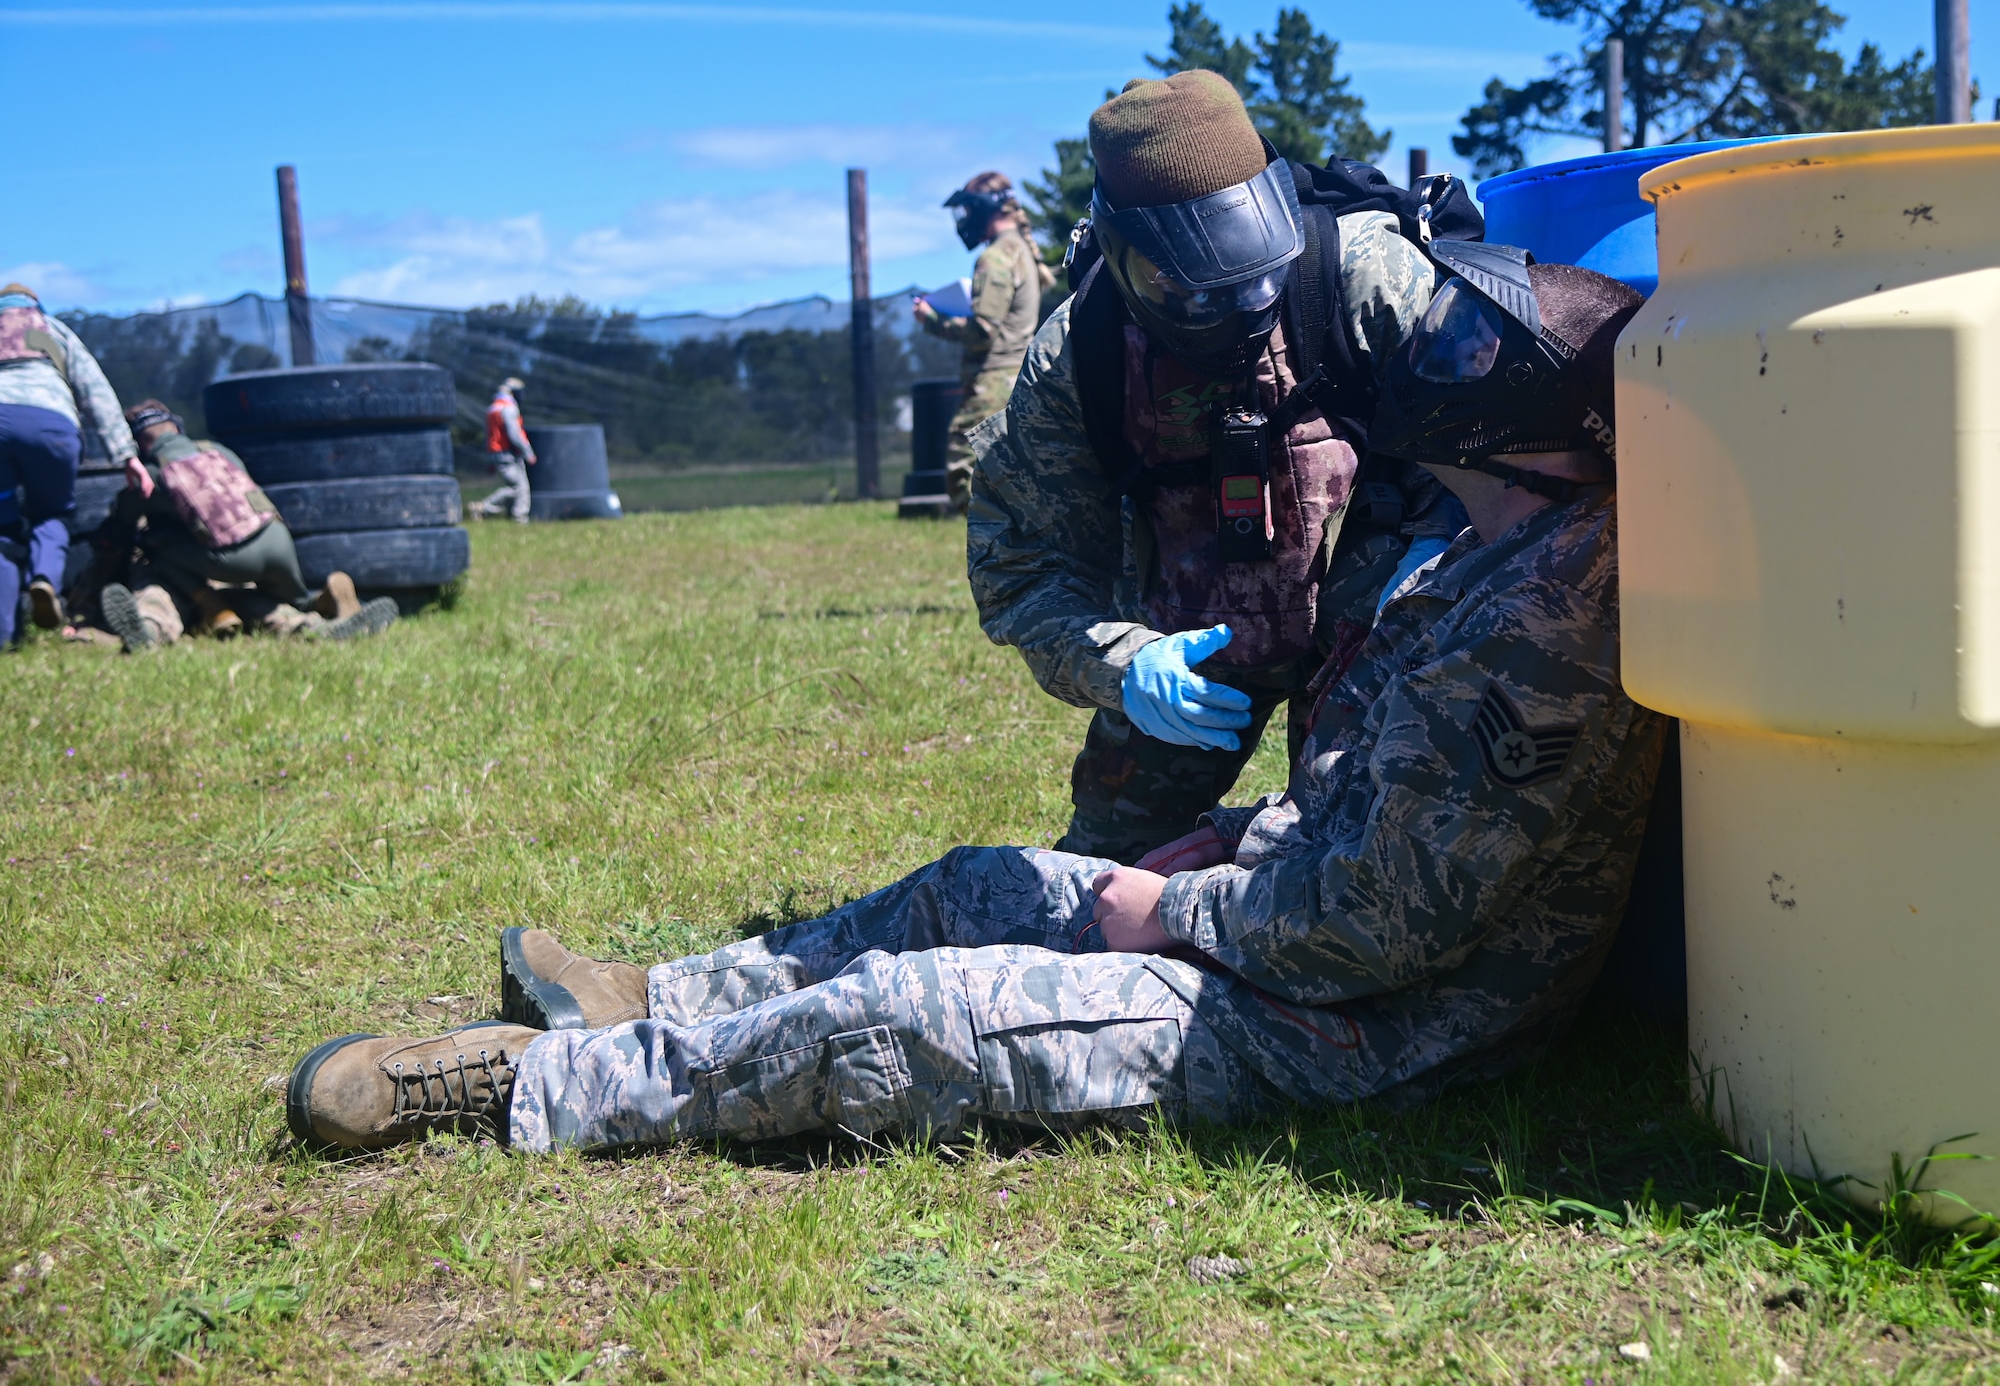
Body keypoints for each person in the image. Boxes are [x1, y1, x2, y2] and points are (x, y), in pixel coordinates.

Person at [285, 252, 1668, 1155]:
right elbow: (1373, 800)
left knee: (914, 1014)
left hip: (1365, 1025)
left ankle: (524, 1087)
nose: (1422, 357)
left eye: (1464, 356)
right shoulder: (1471, 543)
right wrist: (1229, 843)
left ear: (1512, 413)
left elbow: (1381, 929)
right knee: (975, 885)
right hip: (1296, 922)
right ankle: (650, 994)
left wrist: (1168, 909)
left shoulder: (1549, 618)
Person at [967, 71, 1474, 866]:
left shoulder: (1363, 274)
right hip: (1191, 641)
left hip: (1368, 626)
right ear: (1126, 257)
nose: (1246, 304)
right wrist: (1127, 664)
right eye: (1199, 291)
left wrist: (1433, 558)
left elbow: (1499, 449)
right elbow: (1020, 567)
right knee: (1106, 877)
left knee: (1361, 857)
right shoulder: (1082, 353)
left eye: (1256, 273)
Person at [93, 401, 397, 651]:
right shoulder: (218, 451)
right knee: (283, 602)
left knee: (154, 548)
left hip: (229, 562)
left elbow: (121, 525)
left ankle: (192, 616)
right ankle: (319, 612)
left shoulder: (151, 474)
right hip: (277, 539)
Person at [0, 283, 152, 644]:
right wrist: (126, 455)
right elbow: (95, 391)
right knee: (51, 513)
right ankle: (45, 580)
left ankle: (5, 638)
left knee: (2, 531)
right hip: (51, 426)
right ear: (34, 306)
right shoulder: (53, 331)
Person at [912, 173, 1051, 514]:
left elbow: (982, 331)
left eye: (968, 209)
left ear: (986, 208)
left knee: (967, 478)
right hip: (1019, 378)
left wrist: (930, 317)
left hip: (993, 382)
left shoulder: (996, 256)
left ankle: (997, 558)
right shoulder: (1022, 251)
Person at [474, 377, 535, 524]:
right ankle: (486, 507)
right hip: (507, 453)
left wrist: (490, 460)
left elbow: (489, 436)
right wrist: (528, 452)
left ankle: (511, 515)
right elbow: (514, 434)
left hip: (496, 453)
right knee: (519, 488)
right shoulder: (509, 408)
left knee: (517, 486)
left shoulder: (493, 408)